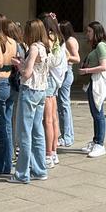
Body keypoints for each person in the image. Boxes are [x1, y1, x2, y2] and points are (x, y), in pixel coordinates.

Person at [9, 20, 50, 183]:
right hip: (41, 90)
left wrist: (19, 65)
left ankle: (22, 173)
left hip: (30, 90)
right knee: (37, 131)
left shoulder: (33, 47)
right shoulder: (43, 47)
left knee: (24, 132)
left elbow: (27, 73)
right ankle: (40, 170)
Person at [0, 14, 19, 175]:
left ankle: (1, 165)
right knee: (6, 124)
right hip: (10, 84)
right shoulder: (14, 42)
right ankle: (8, 159)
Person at [79, 21, 106, 158]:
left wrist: (86, 70)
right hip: (92, 80)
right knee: (95, 112)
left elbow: (103, 66)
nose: (87, 34)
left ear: (96, 32)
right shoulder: (96, 46)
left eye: (89, 31)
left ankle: (100, 144)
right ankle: (96, 140)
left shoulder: (101, 46)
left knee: (98, 113)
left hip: (97, 81)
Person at [38, 12, 65, 168]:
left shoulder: (49, 39)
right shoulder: (58, 38)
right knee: (53, 118)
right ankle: (53, 151)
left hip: (48, 79)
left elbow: (50, 61)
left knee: (47, 119)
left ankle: (48, 153)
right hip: (55, 80)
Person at [57, 21, 80, 148]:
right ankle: (67, 134)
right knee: (63, 105)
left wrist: (64, 57)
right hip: (65, 72)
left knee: (64, 105)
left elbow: (77, 58)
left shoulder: (70, 41)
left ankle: (67, 136)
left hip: (67, 73)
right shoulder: (69, 39)